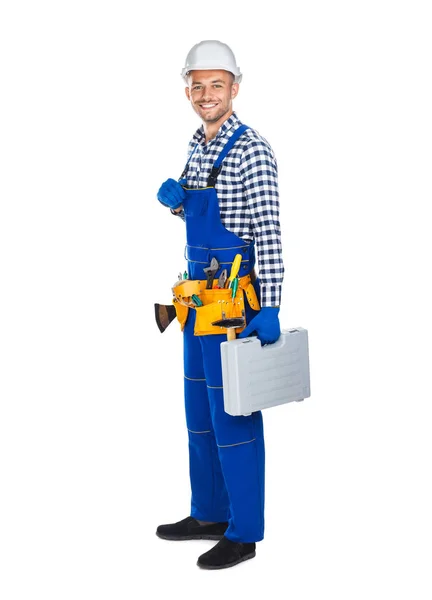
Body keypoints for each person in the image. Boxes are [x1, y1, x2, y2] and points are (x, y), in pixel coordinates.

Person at [155, 40, 284, 570]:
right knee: (199, 416)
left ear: (235, 87)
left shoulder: (250, 148)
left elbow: (268, 232)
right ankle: (208, 512)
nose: (205, 95)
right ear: (188, 88)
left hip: (233, 308)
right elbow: (205, 213)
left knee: (233, 415)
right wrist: (179, 203)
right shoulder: (198, 143)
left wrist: (271, 305)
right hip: (194, 307)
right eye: (197, 85)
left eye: (216, 85)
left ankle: (244, 531)